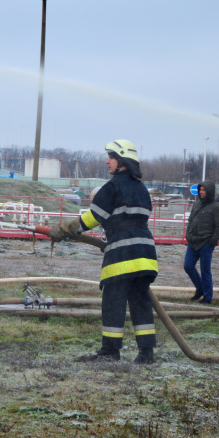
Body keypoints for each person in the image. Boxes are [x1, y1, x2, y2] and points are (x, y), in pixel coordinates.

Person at [48, 139, 158, 364]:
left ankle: (110, 352)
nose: (107, 161)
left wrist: (65, 229)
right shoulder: (142, 189)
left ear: (122, 161)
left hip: (122, 256)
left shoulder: (113, 186)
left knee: (113, 303)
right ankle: (146, 354)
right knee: (141, 304)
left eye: (111, 157)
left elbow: (93, 217)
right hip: (146, 256)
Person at [185, 179, 219, 304]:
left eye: (203, 190)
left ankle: (208, 297)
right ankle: (200, 289)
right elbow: (191, 220)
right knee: (188, 266)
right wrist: (188, 234)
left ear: (209, 191)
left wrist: (212, 241)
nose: (201, 192)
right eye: (200, 190)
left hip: (206, 243)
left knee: (205, 271)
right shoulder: (197, 204)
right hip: (193, 242)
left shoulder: (216, 207)